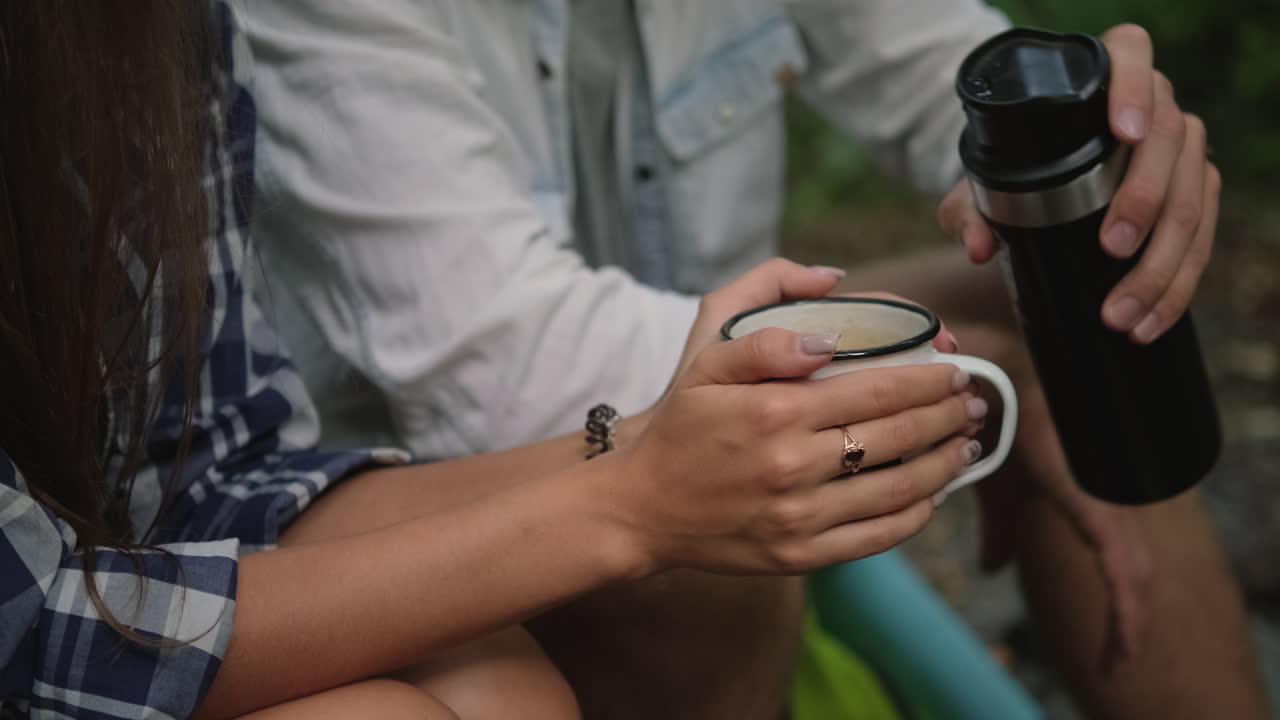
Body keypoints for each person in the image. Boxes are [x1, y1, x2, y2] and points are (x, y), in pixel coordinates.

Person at [237, 1, 1270, 718]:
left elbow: (935, 79)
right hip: (404, 482)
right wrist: (976, 367)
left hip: (702, 355)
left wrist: (1090, 156)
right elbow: (505, 363)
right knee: (705, 553)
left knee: (1089, 294)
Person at [0, 3, 991, 718]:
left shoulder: (143, 36)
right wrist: (630, 500)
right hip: (64, 624)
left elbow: (208, 472)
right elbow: (35, 632)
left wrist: (646, 445)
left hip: (200, 546)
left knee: (504, 691)